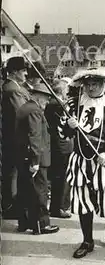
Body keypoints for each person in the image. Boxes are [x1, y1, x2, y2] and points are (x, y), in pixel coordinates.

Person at [58, 68, 105, 259]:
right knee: (83, 199)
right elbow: (61, 132)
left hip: (103, 159)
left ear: (103, 84)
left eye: (95, 84)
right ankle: (87, 240)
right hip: (80, 159)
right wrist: (69, 126)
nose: (91, 88)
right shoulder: (74, 103)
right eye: (88, 84)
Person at [15, 82, 59, 235]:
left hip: (24, 156)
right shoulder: (35, 111)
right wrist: (35, 161)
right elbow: (35, 136)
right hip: (36, 158)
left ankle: (24, 222)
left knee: (24, 189)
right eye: (46, 99)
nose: (47, 102)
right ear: (38, 96)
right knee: (40, 191)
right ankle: (42, 224)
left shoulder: (25, 108)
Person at [2, 56, 30, 217]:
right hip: (14, 139)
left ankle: (10, 204)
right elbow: (23, 113)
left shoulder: (13, 87)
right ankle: (10, 206)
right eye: (23, 70)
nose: (26, 73)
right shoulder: (13, 90)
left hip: (11, 138)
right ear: (13, 72)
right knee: (13, 173)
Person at [45, 79, 73, 218]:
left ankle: (59, 205)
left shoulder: (51, 103)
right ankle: (58, 207)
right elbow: (64, 126)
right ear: (62, 90)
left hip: (56, 145)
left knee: (60, 178)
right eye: (66, 89)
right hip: (61, 146)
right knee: (61, 178)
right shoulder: (58, 105)